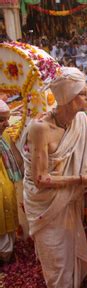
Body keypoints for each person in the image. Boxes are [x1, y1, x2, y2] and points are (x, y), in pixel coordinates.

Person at [20, 67, 87, 288]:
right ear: (67, 97)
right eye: (83, 93)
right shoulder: (40, 128)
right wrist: (82, 179)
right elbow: (40, 180)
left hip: (68, 199)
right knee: (57, 263)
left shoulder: (81, 122)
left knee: (70, 253)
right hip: (45, 203)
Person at [0, 100, 22, 263]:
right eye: (1, 120)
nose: (6, 124)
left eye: (7, 119)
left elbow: (18, 159)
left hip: (7, 189)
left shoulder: (6, 135)